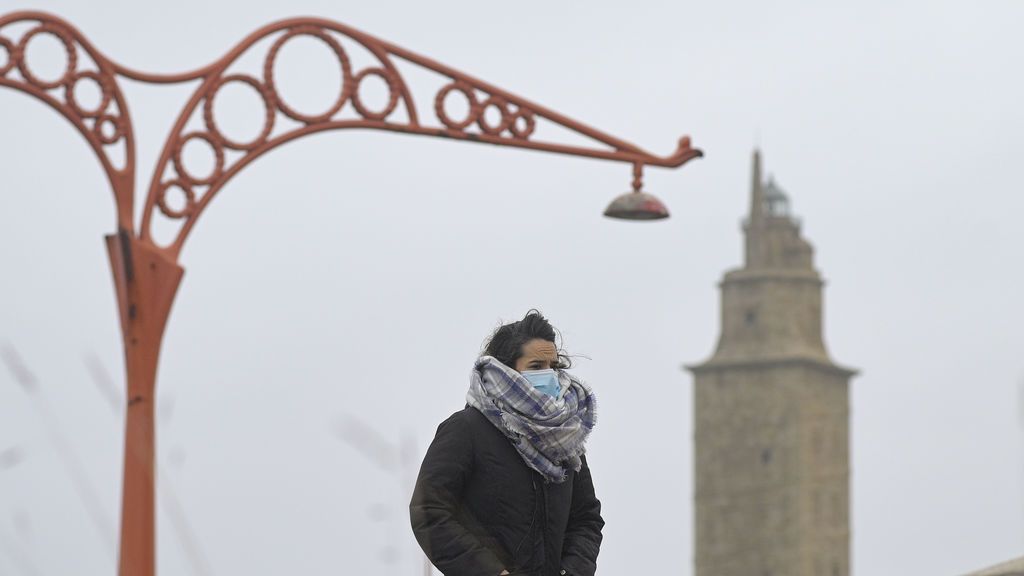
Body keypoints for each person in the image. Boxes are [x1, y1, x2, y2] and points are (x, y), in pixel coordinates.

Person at [409, 310, 604, 576]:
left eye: (554, 366)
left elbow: (586, 518)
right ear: (505, 369)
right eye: (536, 367)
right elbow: (429, 510)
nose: (549, 376)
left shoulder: (565, 441)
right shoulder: (466, 430)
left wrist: (573, 571)